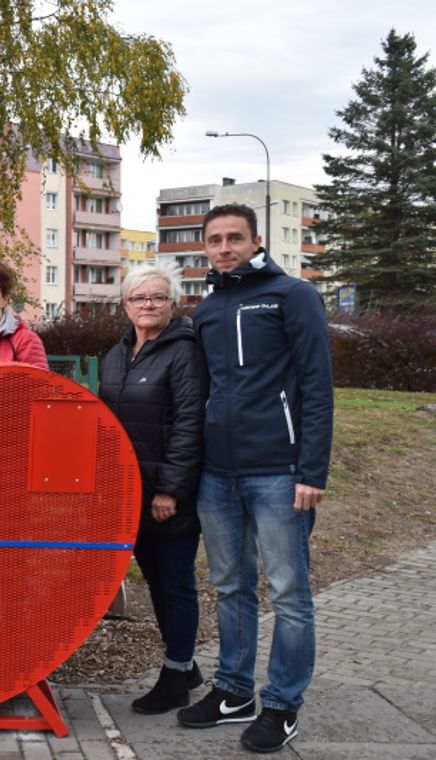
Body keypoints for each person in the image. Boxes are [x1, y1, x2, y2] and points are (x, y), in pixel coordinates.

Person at [177, 203, 333, 754]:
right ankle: (234, 691)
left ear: (255, 240)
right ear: (205, 246)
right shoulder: (209, 308)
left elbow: (317, 384)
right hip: (218, 475)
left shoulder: (292, 295)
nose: (224, 248)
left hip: (280, 471)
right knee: (230, 587)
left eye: (234, 238)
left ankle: (283, 704)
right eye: (215, 240)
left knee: (288, 592)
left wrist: (312, 469)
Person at [99, 262, 208, 714]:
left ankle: (176, 675)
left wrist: (170, 490)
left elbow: (190, 423)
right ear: (125, 304)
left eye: (158, 297)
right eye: (139, 297)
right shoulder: (116, 354)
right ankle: (186, 665)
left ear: (173, 303)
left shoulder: (184, 352)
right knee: (157, 580)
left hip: (166, 494)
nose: (148, 305)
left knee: (174, 583)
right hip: (130, 491)